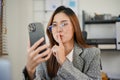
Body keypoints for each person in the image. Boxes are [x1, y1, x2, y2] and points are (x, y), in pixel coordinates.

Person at [23, 6, 101, 80]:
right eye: (54, 25)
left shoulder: (93, 53)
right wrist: (30, 71)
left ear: (74, 27)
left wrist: (64, 62)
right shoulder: (45, 55)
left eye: (64, 24)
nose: (58, 29)